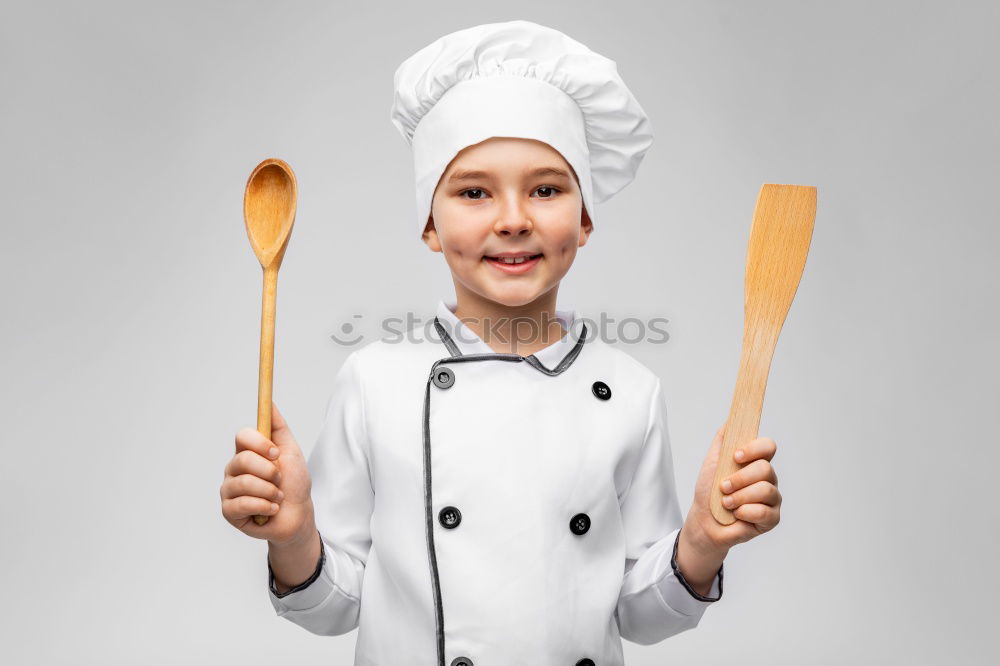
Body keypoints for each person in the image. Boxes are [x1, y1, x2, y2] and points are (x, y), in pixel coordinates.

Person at [220, 19, 781, 666]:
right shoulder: (374, 382)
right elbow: (338, 607)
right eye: (474, 192)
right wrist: (293, 536)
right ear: (429, 224)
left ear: (586, 216)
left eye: (546, 189)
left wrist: (704, 541)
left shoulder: (631, 392)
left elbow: (639, 615)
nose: (513, 219)